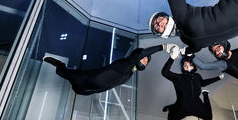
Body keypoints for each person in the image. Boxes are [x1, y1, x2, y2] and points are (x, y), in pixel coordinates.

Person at [44, 44, 176, 95]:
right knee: (61, 71)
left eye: (147, 61)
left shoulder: (130, 73)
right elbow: (139, 55)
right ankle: (58, 63)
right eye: (144, 58)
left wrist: (90, 92)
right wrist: (163, 46)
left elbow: (108, 85)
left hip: (86, 87)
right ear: (136, 56)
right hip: (84, 77)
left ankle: (76, 86)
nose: (145, 61)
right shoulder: (126, 64)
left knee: (75, 89)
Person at [161, 48, 224, 120]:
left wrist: (218, 78)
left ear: (194, 66)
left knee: (209, 117)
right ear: (183, 67)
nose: (188, 67)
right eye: (185, 65)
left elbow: (203, 83)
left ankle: (205, 94)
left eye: (190, 65)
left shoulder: (197, 76)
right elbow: (165, 72)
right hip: (182, 106)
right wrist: (172, 58)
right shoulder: (178, 78)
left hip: (196, 105)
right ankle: (172, 107)